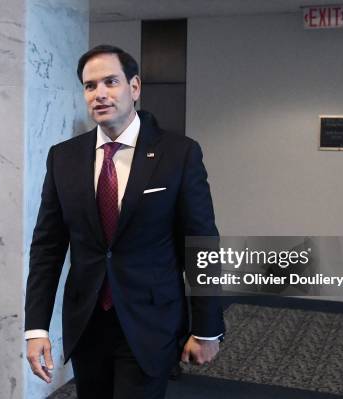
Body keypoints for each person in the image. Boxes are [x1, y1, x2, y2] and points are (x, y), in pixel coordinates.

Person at [24, 44, 224, 399]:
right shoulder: (63, 158)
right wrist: (36, 328)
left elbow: (201, 244)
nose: (99, 93)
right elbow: (47, 248)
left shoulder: (178, 154)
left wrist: (207, 328)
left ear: (134, 88)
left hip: (151, 322)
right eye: (90, 86)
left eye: (110, 82)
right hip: (87, 322)